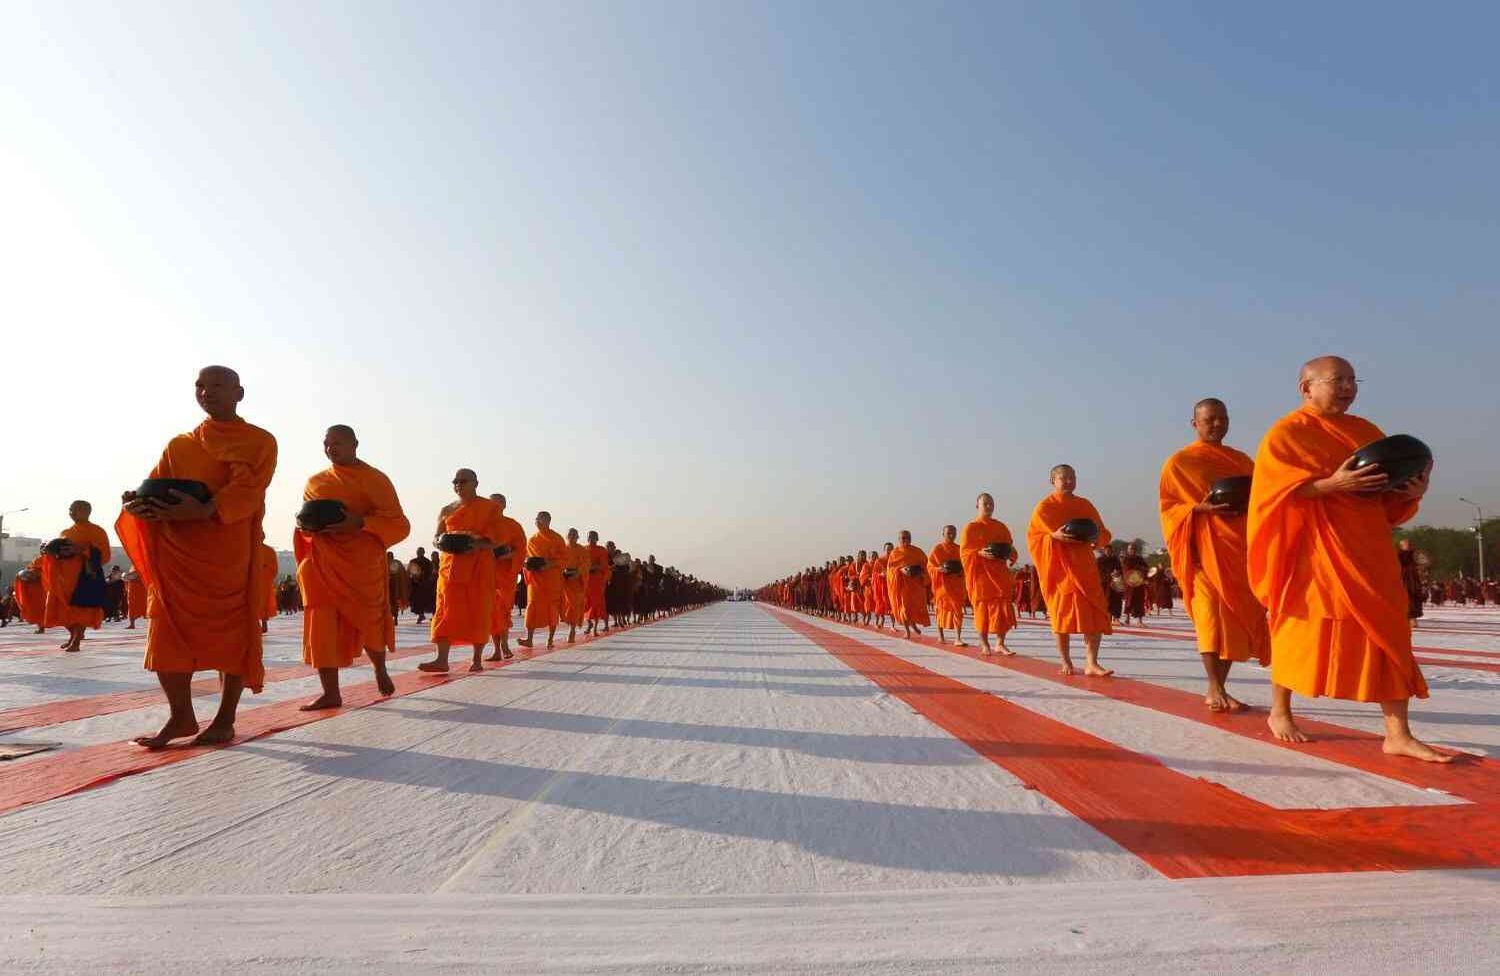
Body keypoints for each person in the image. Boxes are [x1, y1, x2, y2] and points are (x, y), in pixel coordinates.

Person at [1247, 355, 1450, 761]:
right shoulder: (1286, 434)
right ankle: (1280, 710)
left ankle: (1397, 733)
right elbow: (1271, 498)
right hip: (1314, 550)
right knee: (1300, 627)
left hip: (1368, 546)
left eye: (1352, 380)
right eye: (1337, 380)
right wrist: (1331, 484)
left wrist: (1410, 492)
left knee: (1391, 629)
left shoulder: (1367, 432)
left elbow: (1383, 493)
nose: (1347, 387)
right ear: (1306, 388)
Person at [118, 365, 278, 748]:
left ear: (239, 394)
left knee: (232, 637)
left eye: (218, 386)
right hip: (177, 554)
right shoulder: (180, 445)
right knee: (164, 632)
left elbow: (250, 489)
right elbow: (155, 484)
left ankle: (224, 719)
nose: (207, 392)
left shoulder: (259, 441)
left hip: (228, 552)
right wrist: (140, 503)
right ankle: (181, 716)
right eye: (201, 386)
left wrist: (206, 510)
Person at [1159, 397, 1270, 712]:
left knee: (1236, 622)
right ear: (1195, 423)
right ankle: (1213, 687)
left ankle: (1221, 686)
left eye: (1222, 418)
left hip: (1239, 553)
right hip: (1203, 555)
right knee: (1210, 620)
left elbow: (1260, 496)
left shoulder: (1242, 461)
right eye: (1210, 419)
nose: (1217, 424)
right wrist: (1197, 507)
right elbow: (1169, 509)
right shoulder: (1180, 463)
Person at [293, 425, 411, 709]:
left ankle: (379, 669)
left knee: (369, 619)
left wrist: (359, 523)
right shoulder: (315, 482)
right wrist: (305, 525)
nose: (331, 448)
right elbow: (308, 519)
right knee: (322, 625)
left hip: (361, 562)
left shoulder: (376, 480)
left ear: (355, 444)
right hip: (323, 561)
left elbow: (399, 524)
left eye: (338, 443)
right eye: (326, 443)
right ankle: (330, 692)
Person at [1027, 464, 1114, 677]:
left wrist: (1096, 539)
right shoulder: (1044, 507)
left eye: (1072, 477)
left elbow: (1103, 533)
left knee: (1095, 614)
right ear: (1052, 481)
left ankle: (1091, 662)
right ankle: (1066, 660)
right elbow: (1034, 538)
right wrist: (1052, 537)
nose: (1068, 481)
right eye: (1063, 478)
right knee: (1062, 616)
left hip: (1085, 568)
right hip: (1060, 572)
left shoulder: (1085, 505)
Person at [415, 470, 504, 672]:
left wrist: (472, 542)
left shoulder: (489, 508)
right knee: (444, 611)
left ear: (475, 483)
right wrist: (442, 542)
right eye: (455, 481)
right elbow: (437, 537)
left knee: (478, 611)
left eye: (463, 481)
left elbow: (495, 538)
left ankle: (477, 659)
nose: (458, 484)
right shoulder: (447, 509)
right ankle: (441, 659)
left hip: (478, 568)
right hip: (450, 569)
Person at [41, 500, 112, 652]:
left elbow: (105, 555)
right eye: (70, 510)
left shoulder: (97, 531)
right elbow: (57, 552)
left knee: (81, 609)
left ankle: (76, 640)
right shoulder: (66, 532)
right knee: (63, 609)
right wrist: (51, 551)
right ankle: (73, 635)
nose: (71, 512)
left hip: (85, 576)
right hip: (63, 577)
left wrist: (82, 550)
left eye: (75, 509)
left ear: (86, 511)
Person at [960, 492, 1018, 656]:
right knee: (982, 611)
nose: (988, 506)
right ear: (977, 506)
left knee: (1003, 609)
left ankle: (1000, 643)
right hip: (981, 576)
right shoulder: (971, 528)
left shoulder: (1001, 527)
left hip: (999, 574)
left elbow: (1009, 547)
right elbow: (964, 554)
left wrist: (1012, 554)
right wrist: (979, 553)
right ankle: (984, 643)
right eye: (985, 503)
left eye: (991, 503)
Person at [484, 494, 528, 661]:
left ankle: (505, 645)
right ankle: (496, 649)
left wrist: (508, 554)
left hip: (505, 575)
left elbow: (521, 549)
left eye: (497, 503)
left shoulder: (512, 525)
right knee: (491, 613)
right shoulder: (483, 525)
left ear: (504, 505)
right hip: (486, 575)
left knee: (503, 611)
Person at [520, 511, 567, 649]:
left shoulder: (557, 539)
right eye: (536, 520)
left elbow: (564, 559)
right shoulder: (532, 539)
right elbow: (527, 558)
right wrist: (526, 564)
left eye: (540, 520)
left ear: (548, 521)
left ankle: (550, 639)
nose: (538, 522)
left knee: (552, 609)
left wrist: (549, 564)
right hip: (535, 579)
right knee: (532, 606)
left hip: (552, 580)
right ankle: (529, 638)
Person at [927, 525, 968, 646]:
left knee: (958, 611)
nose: (951, 535)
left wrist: (961, 572)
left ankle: (958, 637)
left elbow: (965, 565)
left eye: (953, 533)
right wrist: (939, 569)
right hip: (942, 586)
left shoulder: (960, 549)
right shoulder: (937, 549)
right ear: (943, 534)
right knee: (940, 610)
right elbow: (930, 567)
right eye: (949, 533)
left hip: (956, 585)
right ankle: (941, 635)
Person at [886, 530, 930, 640]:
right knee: (904, 609)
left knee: (914, 608)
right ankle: (907, 631)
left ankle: (913, 624)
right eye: (903, 538)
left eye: (908, 537)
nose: (906, 540)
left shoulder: (918, 552)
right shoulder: (894, 553)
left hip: (916, 585)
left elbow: (926, 565)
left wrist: (919, 572)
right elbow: (890, 570)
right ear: (899, 540)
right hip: (902, 586)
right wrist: (901, 570)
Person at [561, 527, 588, 643]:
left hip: (577, 581)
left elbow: (585, 564)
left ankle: (572, 629)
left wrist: (577, 573)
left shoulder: (582, 550)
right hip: (564, 581)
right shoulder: (562, 549)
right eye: (570, 535)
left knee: (574, 605)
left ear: (577, 537)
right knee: (564, 605)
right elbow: (558, 562)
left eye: (574, 535)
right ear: (566, 537)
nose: (572, 537)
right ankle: (569, 625)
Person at [584, 531, 612, 636]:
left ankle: (595, 629)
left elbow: (603, 565)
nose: (591, 539)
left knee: (596, 604)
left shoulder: (601, 550)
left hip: (597, 581)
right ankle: (589, 623)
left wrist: (594, 567)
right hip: (586, 580)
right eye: (589, 537)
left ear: (597, 538)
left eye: (593, 537)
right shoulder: (584, 549)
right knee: (586, 604)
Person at [1119, 543, 1151, 626]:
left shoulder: (1140, 559)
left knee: (1139, 602)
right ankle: (1127, 619)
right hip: (1130, 583)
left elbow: (1146, 568)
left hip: (1139, 583)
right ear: (1128, 550)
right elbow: (1125, 569)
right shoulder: (1125, 559)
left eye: (1133, 549)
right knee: (1129, 601)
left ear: (1135, 550)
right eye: (1130, 549)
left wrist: (1144, 574)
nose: (1132, 550)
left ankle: (1139, 621)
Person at [13, 557, 46, 632]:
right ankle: (41, 627)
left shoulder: (52, 558)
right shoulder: (37, 560)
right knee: (36, 609)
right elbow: (28, 572)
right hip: (33, 590)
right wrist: (27, 574)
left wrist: (37, 574)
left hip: (42, 589)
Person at [1397, 540, 1424, 629]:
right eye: (1406, 545)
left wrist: (1420, 566)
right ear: (1401, 546)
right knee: (1407, 599)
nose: (1408, 546)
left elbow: (1425, 562)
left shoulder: (1414, 555)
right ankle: (1409, 620)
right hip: (1403, 580)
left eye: (1409, 544)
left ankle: (1413, 619)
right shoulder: (1399, 555)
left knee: (1415, 599)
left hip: (1414, 580)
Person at [407, 546, 435, 624]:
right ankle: (421, 615)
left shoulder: (428, 562)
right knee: (417, 602)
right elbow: (409, 571)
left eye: (421, 552)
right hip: (415, 585)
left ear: (423, 553)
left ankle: (428, 615)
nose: (419, 553)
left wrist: (425, 579)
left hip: (425, 585)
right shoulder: (413, 561)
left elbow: (430, 573)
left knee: (428, 601)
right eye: (418, 552)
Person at [387, 551, 410, 623]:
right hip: (390, 587)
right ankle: (393, 617)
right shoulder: (384, 562)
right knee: (391, 603)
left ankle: (395, 617)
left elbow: (403, 575)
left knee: (393, 602)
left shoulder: (395, 563)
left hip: (395, 587)